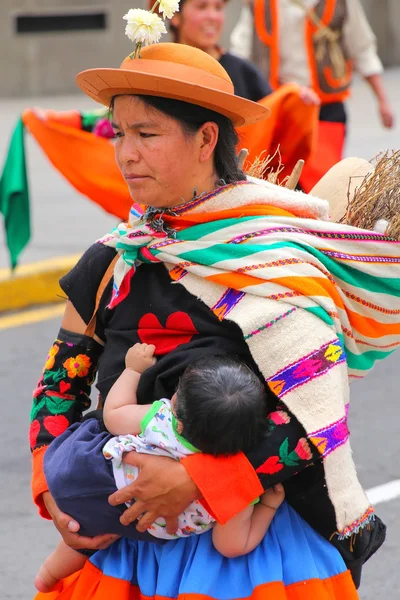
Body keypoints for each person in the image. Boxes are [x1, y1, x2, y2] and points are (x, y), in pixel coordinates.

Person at [30, 8, 399, 598]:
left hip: (252, 544)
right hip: (127, 548)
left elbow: (311, 416)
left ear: (205, 139)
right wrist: (53, 485)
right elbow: (60, 381)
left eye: (146, 134)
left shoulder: (276, 261)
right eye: (119, 133)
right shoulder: (112, 261)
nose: (126, 154)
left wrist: (199, 480)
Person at [35, 343, 285, 591]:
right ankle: (48, 575)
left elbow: (113, 415)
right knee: (97, 530)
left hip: (77, 469)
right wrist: (268, 505)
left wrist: (133, 370)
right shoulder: (233, 481)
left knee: (82, 521)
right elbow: (231, 545)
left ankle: (46, 574)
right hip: (134, 521)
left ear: (177, 406)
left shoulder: (162, 419)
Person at [230, 0, 395, 188]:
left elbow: (361, 48)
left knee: (321, 186)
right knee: (276, 184)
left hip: (325, 109)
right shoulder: (258, 3)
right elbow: (239, 54)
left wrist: (382, 101)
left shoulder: (341, 3)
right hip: (280, 111)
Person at [167, 0, 321, 179]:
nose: (213, 16)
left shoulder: (243, 71)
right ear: (175, 16)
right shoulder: (159, 71)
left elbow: (273, 122)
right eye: (202, 7)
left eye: (218, 8)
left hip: (237, 184)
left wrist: (294, 99)